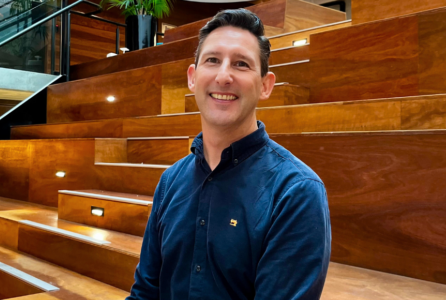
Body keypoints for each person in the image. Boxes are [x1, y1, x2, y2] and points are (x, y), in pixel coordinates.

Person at [127, 8, 331, 300]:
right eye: (212, 60)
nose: (223, 76)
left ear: (265, 85)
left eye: (241, 64)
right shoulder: (170, 180)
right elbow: (145, 293)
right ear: (192, 78)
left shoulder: (296, 191)